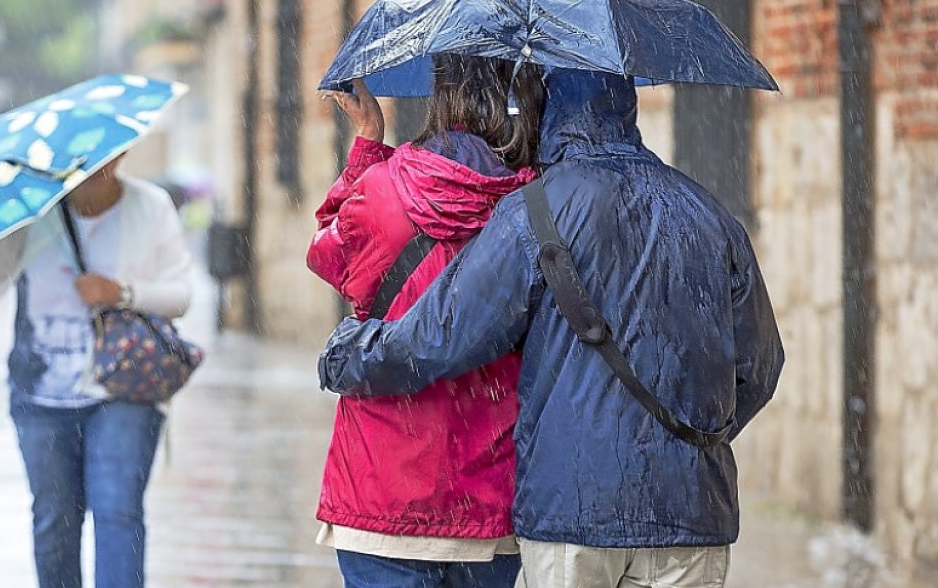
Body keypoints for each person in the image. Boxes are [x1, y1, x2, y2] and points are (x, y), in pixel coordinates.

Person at [318, 70, 785, 588]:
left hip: (573, 506)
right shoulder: (711, 216)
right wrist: (680, 443)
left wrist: (349, 353)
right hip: (694, 509)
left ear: (545, 110)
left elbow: (442, 337)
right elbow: (761, 369)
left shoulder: (536, 211)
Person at [308, 54, 546, 587]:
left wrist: (369, 141)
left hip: (383, 485)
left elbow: (328, 255)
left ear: (440, 96)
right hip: (490, 491)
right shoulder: (535, 205)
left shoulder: (382, 190)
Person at [0, 156, 192, 588]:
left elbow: (181, 294)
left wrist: (122, 292)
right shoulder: (31, 213)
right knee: (54, 521)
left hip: (123, 387)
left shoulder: (150, 205)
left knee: (118, 512)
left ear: (123, 154)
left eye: (106, 158)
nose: (95, 169)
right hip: (40, 394)